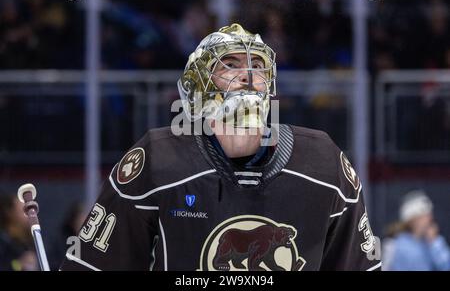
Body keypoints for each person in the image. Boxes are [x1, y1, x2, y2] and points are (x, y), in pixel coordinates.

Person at [60, 23, 381, 271]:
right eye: (230, 64)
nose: (249, 75)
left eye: (258, 65)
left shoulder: (324, 164)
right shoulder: (156, 162)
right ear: (197, 87)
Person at [386, 191, 450, 271]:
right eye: (425, 215)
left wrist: (434, 242)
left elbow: (447, 266)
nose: (430, 218)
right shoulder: (394, 245)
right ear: (413, 220)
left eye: (429, 214)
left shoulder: (435, 241)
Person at [0, 195, 38, 271]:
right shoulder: (3, 242)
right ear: (10, 213)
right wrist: (18, 265)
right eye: (23, 211)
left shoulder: (29, 241)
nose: (29, 215)